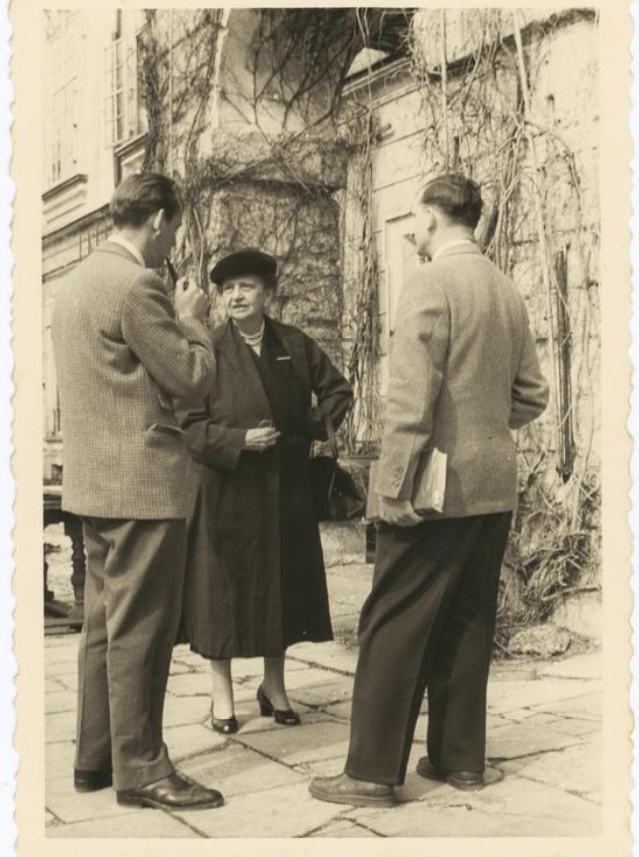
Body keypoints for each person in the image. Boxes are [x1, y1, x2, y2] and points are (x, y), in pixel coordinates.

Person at [310, 174, 549, 807]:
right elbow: (531, 396)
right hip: (493, 486)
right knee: (470, 619)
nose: (412, 231)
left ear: (435, 217)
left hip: (429, 487)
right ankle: (461, 759)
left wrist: (389, 487)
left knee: (392, 621)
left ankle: (368, 774)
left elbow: (410, 405)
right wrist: (480, 432)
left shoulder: (427, 283)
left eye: (413, 219)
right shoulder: (505, 291)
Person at [52, 172, 224, 811]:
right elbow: (190, 380)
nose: (171, 240)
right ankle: (145, 769)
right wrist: (192, 321)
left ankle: (95, 760)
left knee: (101, 624)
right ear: (156, 219)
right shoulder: (136, 286)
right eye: (174, 227)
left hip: (95, 486)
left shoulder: (73, 283)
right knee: (143, 631)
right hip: (144, 486)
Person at [177, 249, 353, 734]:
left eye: (247, 287)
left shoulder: (294, 344)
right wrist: (239, 440)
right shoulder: (206, 350)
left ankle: (274, 687)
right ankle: (222, 695)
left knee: (282, 590)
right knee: (222, 597)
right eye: (228, 289)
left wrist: (309, 429)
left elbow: (339, 391)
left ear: (267, 294)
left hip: (285, 491)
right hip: (227, 492)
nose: (236, 296)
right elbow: (189, 427)